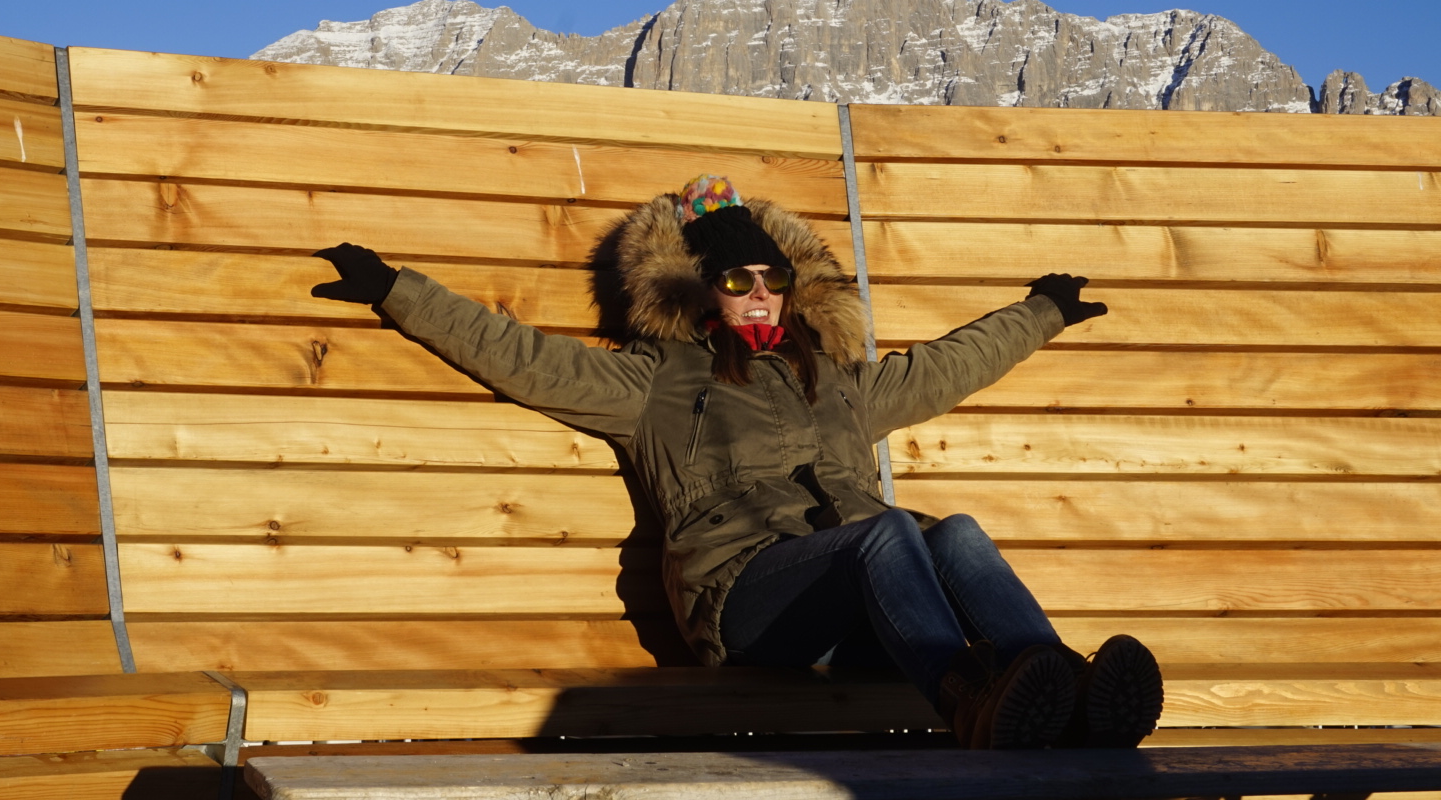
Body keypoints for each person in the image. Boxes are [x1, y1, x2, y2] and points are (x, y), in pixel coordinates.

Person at [311, 173, 1163, 749]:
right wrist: (397, 290)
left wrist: (1040, 311)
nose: (760, 290)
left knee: (958, 535)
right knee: (887, 534)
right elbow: (524, 356)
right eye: (737, 278)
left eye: (773, 276)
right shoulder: (654, 381)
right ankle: (966, 699)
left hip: (863, 611)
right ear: (699, 287)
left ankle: (1072, 696)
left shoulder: (834, 380)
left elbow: (942, 367)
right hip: (747, 605)